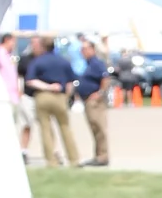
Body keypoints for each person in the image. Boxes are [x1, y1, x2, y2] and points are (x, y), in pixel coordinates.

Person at [24, 33, 78, 168]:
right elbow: (70, 83)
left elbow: (31, 81)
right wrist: (66, 96)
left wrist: (47, 87)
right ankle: (73, 159)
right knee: (65, 127)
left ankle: (51, 161)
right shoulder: (63, 61)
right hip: (60, 97)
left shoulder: (37, 61)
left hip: (43, 96)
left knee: (45, 129)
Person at [73, 35, 111, 165]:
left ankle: (103, 156)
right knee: (94, 128)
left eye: (85, 49)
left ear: (92, 50)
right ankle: (98, 155)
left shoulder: (97, 63)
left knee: (99, 127)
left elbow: (105, 78)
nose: (82, 52)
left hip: (95, 101)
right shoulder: (87, 64)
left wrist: (100, 93)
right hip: (87, 100)